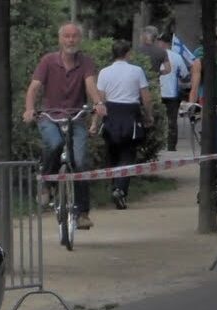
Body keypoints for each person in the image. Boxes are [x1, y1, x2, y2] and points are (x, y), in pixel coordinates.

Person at [23, 22, 106, 233]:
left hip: (75, 117)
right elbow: (34, 88)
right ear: (60, 39)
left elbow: (90, 84)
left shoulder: (85, 62)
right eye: (67, 36)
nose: (70, 40)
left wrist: (98, 103)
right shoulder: (48, 61)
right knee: (55, 143)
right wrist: (30, 109)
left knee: (80, 162)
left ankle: (82, 213)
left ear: (80, 39)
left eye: (74, 36)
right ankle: (46, 183)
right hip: (50, 116)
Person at [97, 41, 153, 209]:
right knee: (127, 154)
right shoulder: (137, 71)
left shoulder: (104, 72)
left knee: (113, 152)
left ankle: (115, 185)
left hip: (111, 113)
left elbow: (100, 100)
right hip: (130, 114)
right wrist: (149, 116)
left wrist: (95, 122)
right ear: (128, 53)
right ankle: (121, 189)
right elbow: (146, 97)